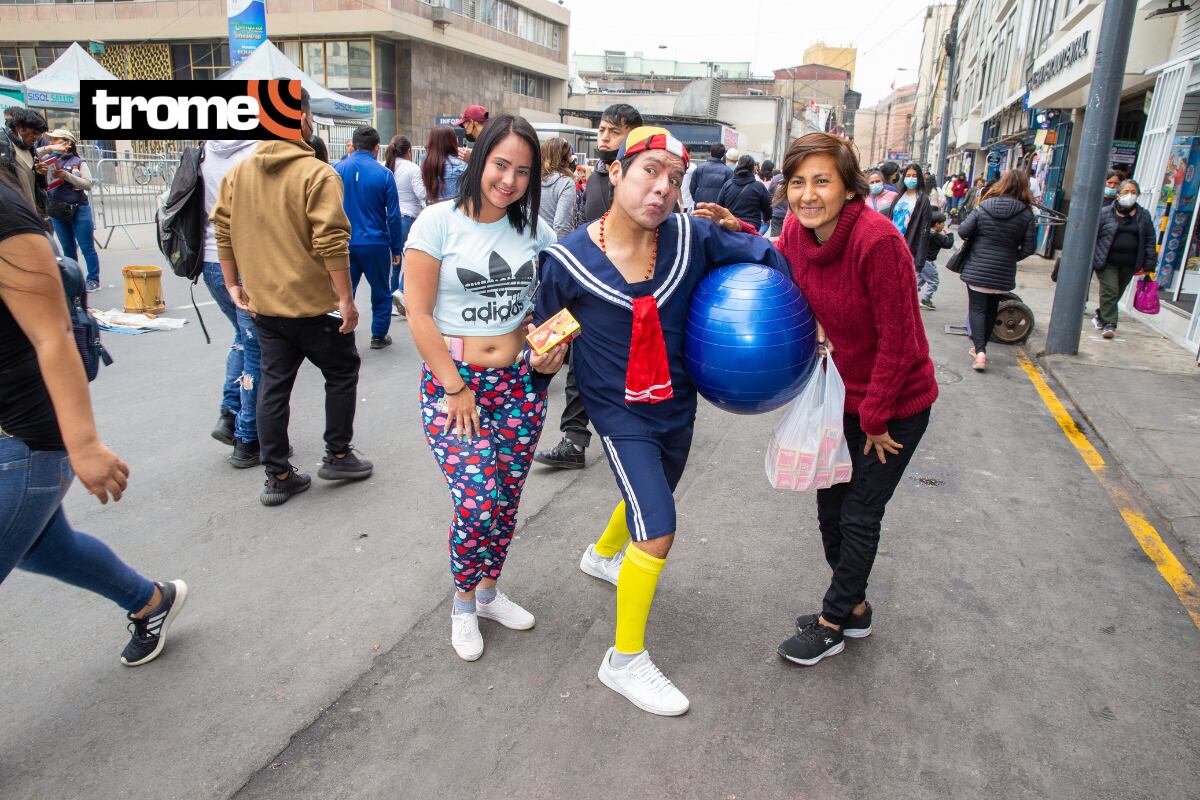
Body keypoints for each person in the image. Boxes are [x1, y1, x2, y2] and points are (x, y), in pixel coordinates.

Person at [535, 126, 791, 715]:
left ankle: (601, 554)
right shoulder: (569, 259)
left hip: (679, 402)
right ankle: (623, 659)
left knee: (652, 493)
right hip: (619, 411)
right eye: (649, 170)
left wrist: (744, 230)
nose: (661, 188)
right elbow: (547, 332)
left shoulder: (692, 236)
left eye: (673, 179)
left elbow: (767, 260)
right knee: (658, 523)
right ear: (617, 173)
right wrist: (542, 357)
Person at [0, 182, 188, 667]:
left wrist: (82, 443)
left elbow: (53, 333)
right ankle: (151, 600)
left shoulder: (4, 212)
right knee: (44, 547)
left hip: (19, 437)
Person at [769, 132, 937, 668]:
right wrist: (733, 232)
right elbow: (774, 267)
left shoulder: (878, 241)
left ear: (848, 187)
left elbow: (901, 340)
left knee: (860, 515)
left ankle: (834, 621)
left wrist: (877, 417)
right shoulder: (797, 231)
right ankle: (855, 605)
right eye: (798, 182)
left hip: (895, 406)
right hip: (841, 397)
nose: (808, 194)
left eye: (822, 181)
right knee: (830, 507)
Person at [403, 114, 557, 662]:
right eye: (500, 165)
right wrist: (453, 386)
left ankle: (489, 593)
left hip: (519, 385)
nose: (509, 180)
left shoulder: (537, 232)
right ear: (478, 159)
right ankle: (463, 605)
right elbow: (418, 315)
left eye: (522, 171)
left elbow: (547, 310)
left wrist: (549, 352)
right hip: (455, 387)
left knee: (507, 499)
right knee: (477, 500)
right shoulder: (437, 222)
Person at [211, 87, 373, 506]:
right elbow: (331, 241)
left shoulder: (238, 173)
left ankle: (278, 474)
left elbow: (222, 231)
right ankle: (337, 453)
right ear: (300, 119)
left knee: (273, 387)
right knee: (341, 372)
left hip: (264, 306)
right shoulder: (316, 173)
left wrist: (232, 285)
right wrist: (346, 299)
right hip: (314, 307)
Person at [534, 102, 643, 471]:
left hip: (630, 292)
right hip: (585, 282)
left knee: (631, 365)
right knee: (575, 360)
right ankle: (573, 439)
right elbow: (582, 221)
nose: (604, 136)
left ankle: (643, 434)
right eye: (602, 129)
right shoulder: (596, 175)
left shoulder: (646, 176)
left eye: (614, 131)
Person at [200, 139, 261, 467]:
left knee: (243, 339)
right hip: (244, 264)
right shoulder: (257, 152)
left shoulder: (207, 149)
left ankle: (230, 413)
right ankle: (248, 437)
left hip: (211, 263)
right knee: (257, 351)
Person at [956, 169, 1037, 372]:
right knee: (991, 308)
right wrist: (1010, 256)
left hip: (978, 267)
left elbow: (963, 231)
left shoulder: (984, 206)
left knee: (977, 308)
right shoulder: (1026, 214)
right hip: (1002, 271)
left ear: (1002, 184)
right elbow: (1029, 248)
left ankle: (980, 351)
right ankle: (980, 348)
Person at [335, 125, 405, 350]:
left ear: (353, 146)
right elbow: (393, 216)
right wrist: (396, 248)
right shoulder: (384, 174)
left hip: (344, 242)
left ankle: (341, 333)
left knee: (344, 290)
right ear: (377, 148)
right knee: (381, 291)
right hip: (375, 242)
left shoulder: (336, 170)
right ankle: (378, 335)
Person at [1091, 179, 1158, 339]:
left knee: (1117, 293)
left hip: (1130, 263)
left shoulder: (1143, 215)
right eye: (1126, 192)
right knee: (1110, 291)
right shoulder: (1105, 213)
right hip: (1107, 261)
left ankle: (1101, 315)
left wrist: (1149, 264)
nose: (1130, 195)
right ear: (1118, 195)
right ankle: (1109, 324)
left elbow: (1149, 239)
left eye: (1133, 192)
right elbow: (1094, 237)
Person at [42, 129, 101, 291]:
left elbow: (88, 184)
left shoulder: (78, 162)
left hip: (78, 209)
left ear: (67, 143)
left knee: (87, 247)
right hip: (57, 211)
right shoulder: (46, 160)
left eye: (55, 140)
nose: (51, 143)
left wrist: (66, 176)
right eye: (51, 140)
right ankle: (74, 280)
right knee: (67, 250)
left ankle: (93, 279)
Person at [383, 134, 425, 315]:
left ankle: (391, 301)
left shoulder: (387, 168)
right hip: (408, 218)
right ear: (409, 151)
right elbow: (421, 193)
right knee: (412, 260)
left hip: (389, 218)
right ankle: (401, 291)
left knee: (395, 261)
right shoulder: (412, 168)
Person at [1, 108, 47, 216]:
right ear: (18, 128)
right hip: (12, 216)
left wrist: (39, 173)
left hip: (32, 214)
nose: (36, 137)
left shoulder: (30, 148)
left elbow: (36, 185)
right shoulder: (3, 144)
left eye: (38, 134)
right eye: (33, 133)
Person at [889, 163, 932, 270]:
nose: (911, 179)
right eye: (908, 176)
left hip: (909, 248)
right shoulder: (898, 197)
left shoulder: (923, 200)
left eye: (914, 176)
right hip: (893, 246)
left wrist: (919, 260)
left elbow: (924, 230)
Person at [717, 154, 773, 230]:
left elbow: (719, 206)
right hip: (751, 228)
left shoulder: (728, 185)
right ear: (753, 168)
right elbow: (768, 207)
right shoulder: (759, 187)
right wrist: (766, 218)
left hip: (731, 225)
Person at [538, 137, 577, 239]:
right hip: (553, 245)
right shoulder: (566, 183)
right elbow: (561, 225)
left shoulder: (531, 179)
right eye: (569, 155)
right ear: (563, 158)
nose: (571, 159)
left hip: (532, 241)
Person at [422, 125, 468, 204]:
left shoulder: (427, 162)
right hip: (454, 209)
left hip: (433, 208)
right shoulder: (459, 163)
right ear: (451, 141)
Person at [919, 210, 954, 310]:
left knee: (920, 280)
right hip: (927, 262)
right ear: (937, 224)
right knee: (934, 281)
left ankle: (907, 296)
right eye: (943, 223)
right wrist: (950, 234)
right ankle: (926, 299)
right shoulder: (937, 236)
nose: (943, 226)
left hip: (920, 260)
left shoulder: (924, 232)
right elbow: (948, 244)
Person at [688, 142, 732, 207]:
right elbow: (729, 192)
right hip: (718, 208)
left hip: (700, 206)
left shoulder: (700, 168)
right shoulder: (728, 171)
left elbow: (692, 188)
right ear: (723, 155)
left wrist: (697, 200)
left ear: (710, 152)